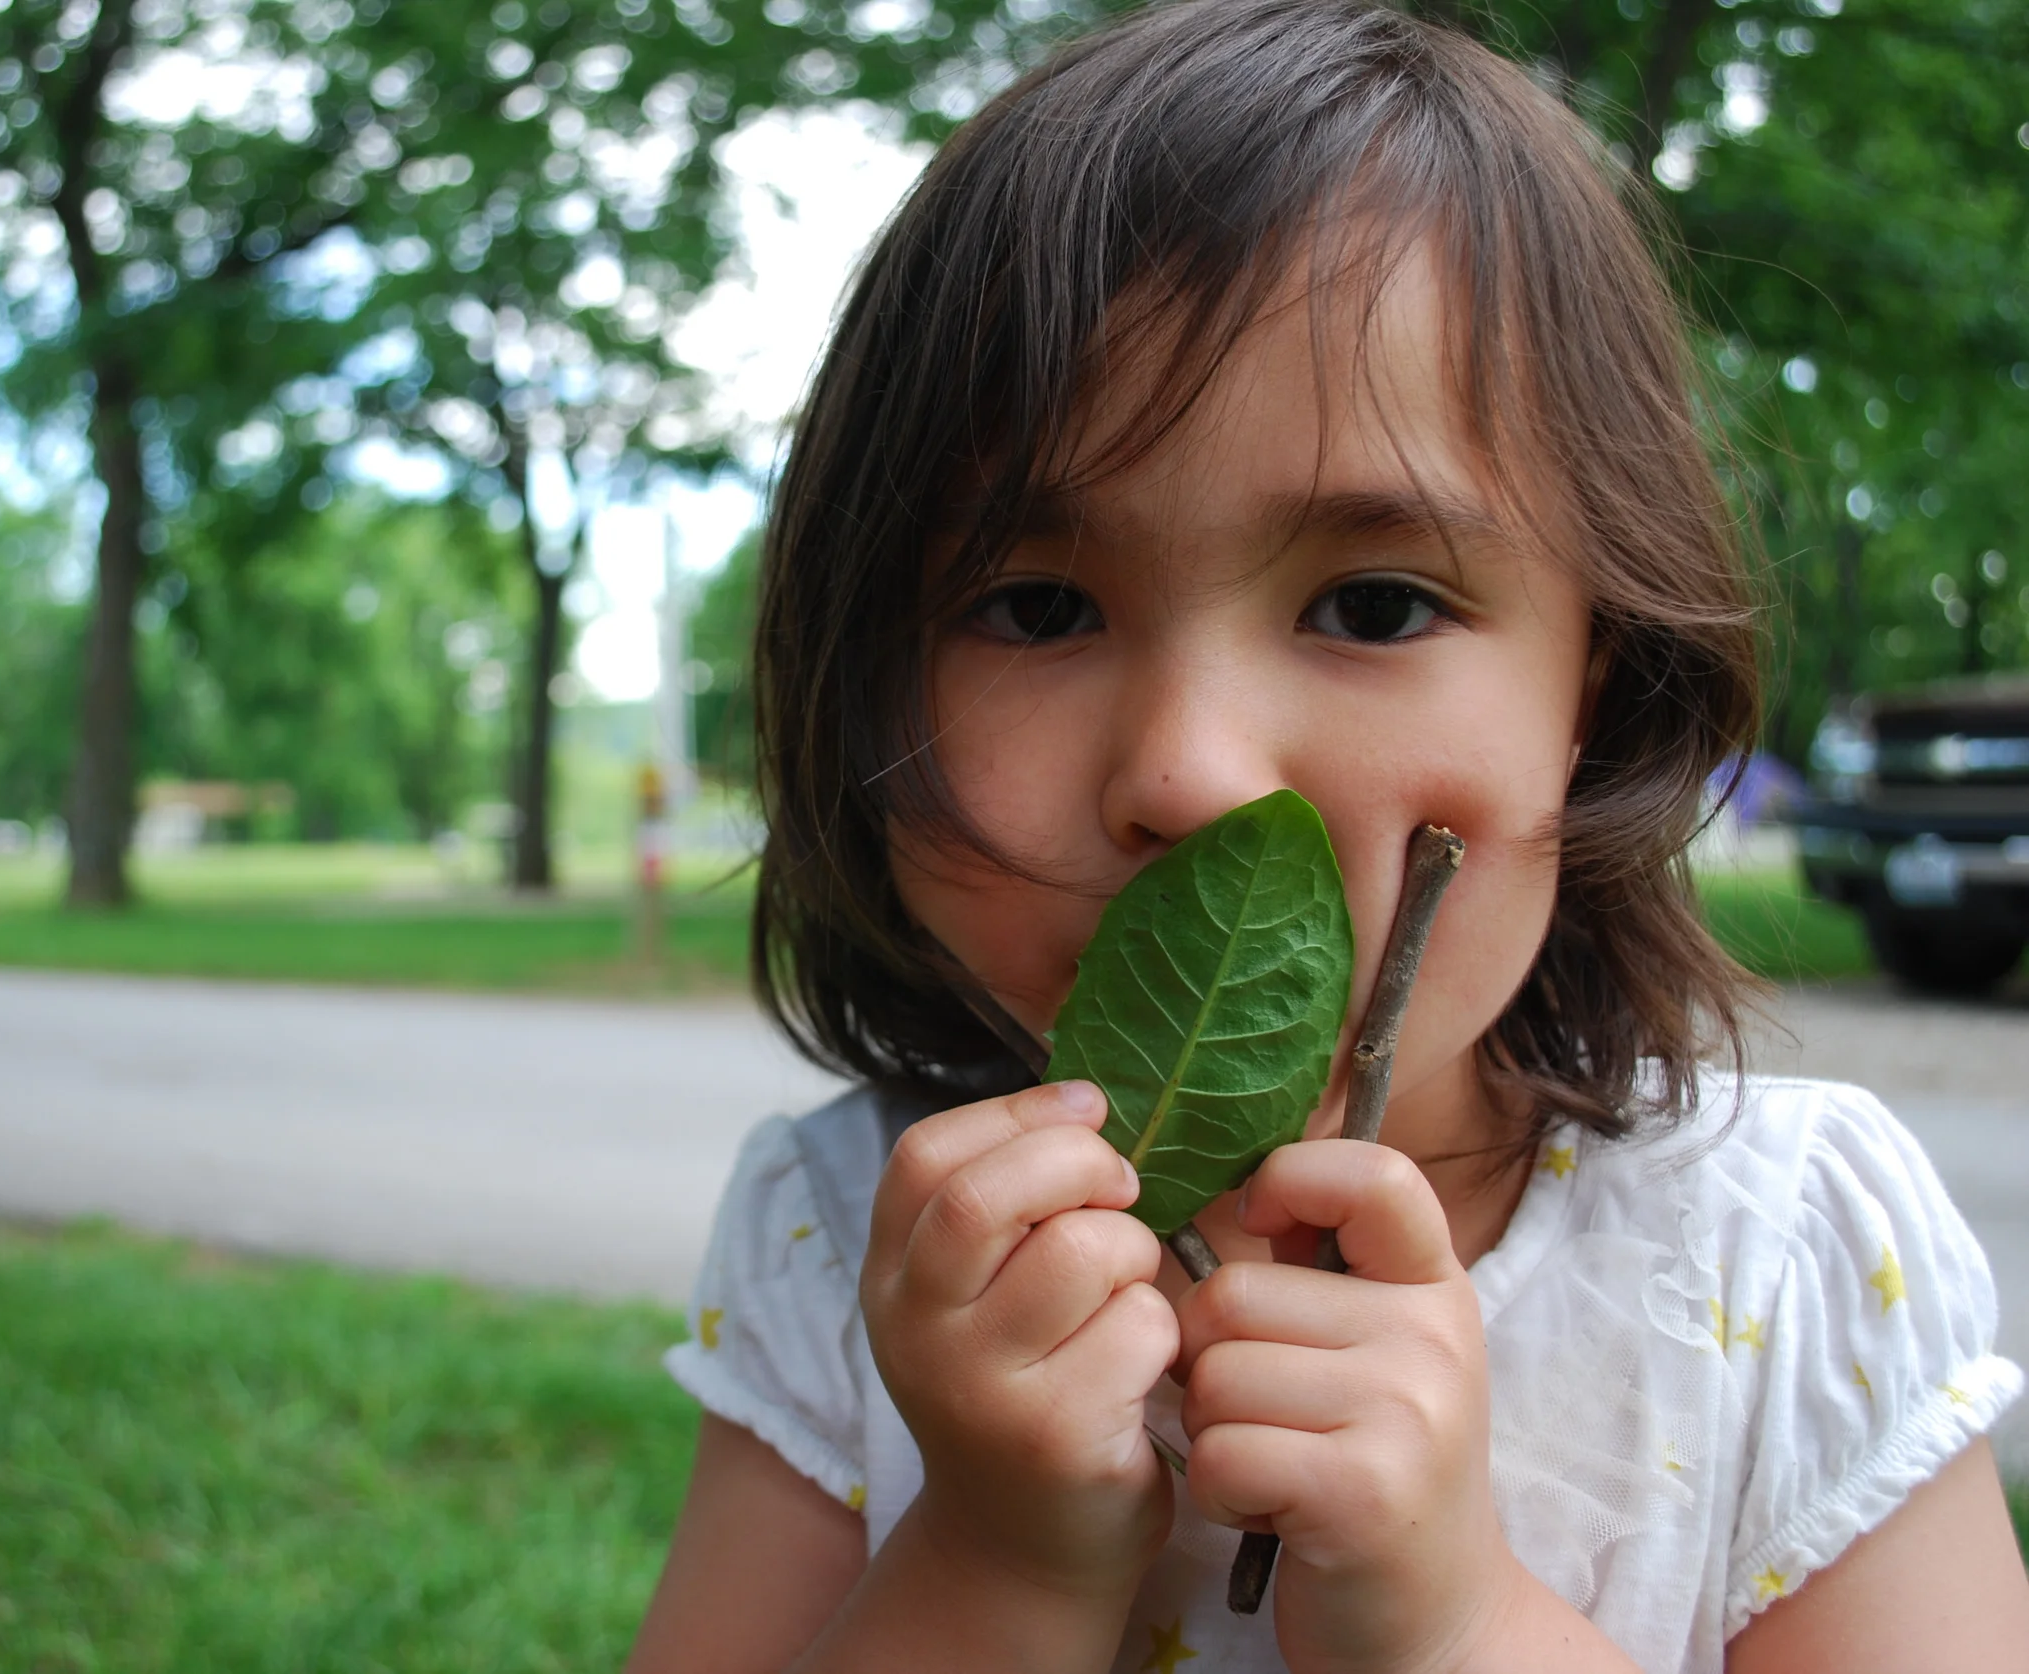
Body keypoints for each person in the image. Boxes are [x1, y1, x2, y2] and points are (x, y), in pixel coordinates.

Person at [623, 3, 2029, 1671]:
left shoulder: (1782, 1265)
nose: (1193, 774)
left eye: (1373, 602)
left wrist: (1457, 1621)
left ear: (1604, 679)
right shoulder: (839, 1238)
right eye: (1036, 602)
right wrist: (993, 1554)